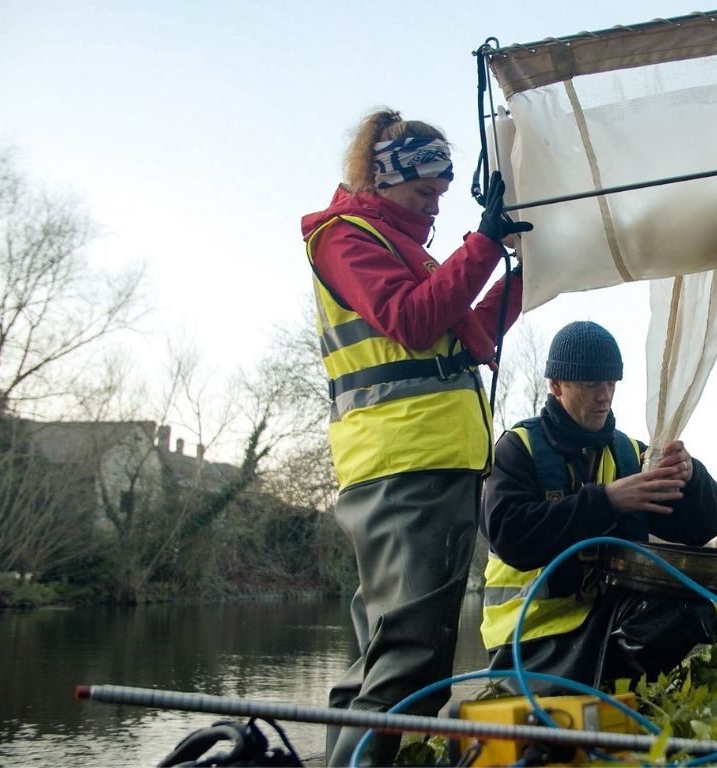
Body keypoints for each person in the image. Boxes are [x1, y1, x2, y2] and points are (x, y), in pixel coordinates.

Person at [300, 108, 531, 767]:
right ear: (382, 178)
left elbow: (470, 334)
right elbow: (410, 319)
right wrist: (481, 246)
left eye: (442, 197)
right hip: (405, 465)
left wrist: (519, 270)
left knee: (382, 653)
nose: (434, 209)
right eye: (424, 193)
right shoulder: (344, 238)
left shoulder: (407, 251)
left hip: (420, 463)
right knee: (410, 659)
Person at [479, 321, 717, 693]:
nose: (604, 396)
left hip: (605, 623)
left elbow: (706, 524)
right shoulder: (517, 449)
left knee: (690, 607)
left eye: (611, 383)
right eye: (590, 384)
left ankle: (615, 689)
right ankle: (593, 690)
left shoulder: (632, 453)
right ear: (556, 386)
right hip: (526, 637)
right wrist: (608, 500)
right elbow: (509, 536)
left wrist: (691, 477)